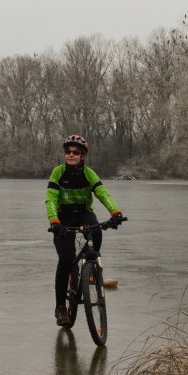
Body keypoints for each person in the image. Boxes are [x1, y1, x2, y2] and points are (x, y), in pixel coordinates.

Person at [46, 134, 124, 326]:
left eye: (75, 152)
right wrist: (54, 220)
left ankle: (91, 266)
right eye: (68, 152)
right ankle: (60, 308)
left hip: (83, 213)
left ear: (82, 156)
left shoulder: (89, 173)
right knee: (65, 259)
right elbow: (51, 199)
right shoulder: (58, 172)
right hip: (63, 215)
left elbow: (102, 193)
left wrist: (115, 212)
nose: (71, 155)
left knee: (96, 231)